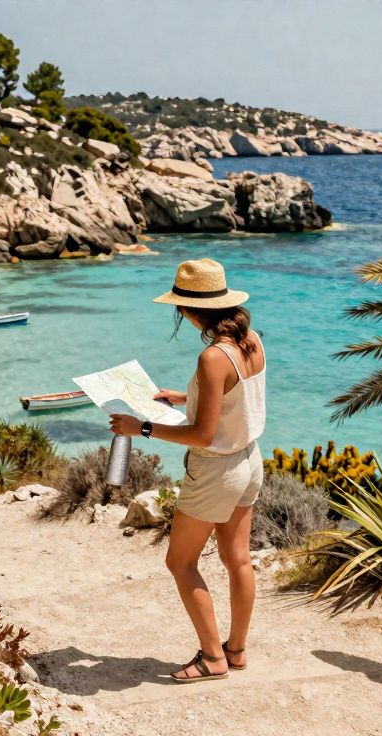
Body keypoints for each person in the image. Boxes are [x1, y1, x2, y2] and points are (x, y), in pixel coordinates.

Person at [109, 258, 266, 683]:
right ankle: (236, 651)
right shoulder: (251, 341)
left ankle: (212, 658)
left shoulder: (212, 357)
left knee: (180, 562)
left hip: (215, 471)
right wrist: (184, 397)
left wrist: (140, 428)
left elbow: (201, 435)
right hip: (249, 460)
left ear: (189, 310)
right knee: (238, 559)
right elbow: (234, 398)